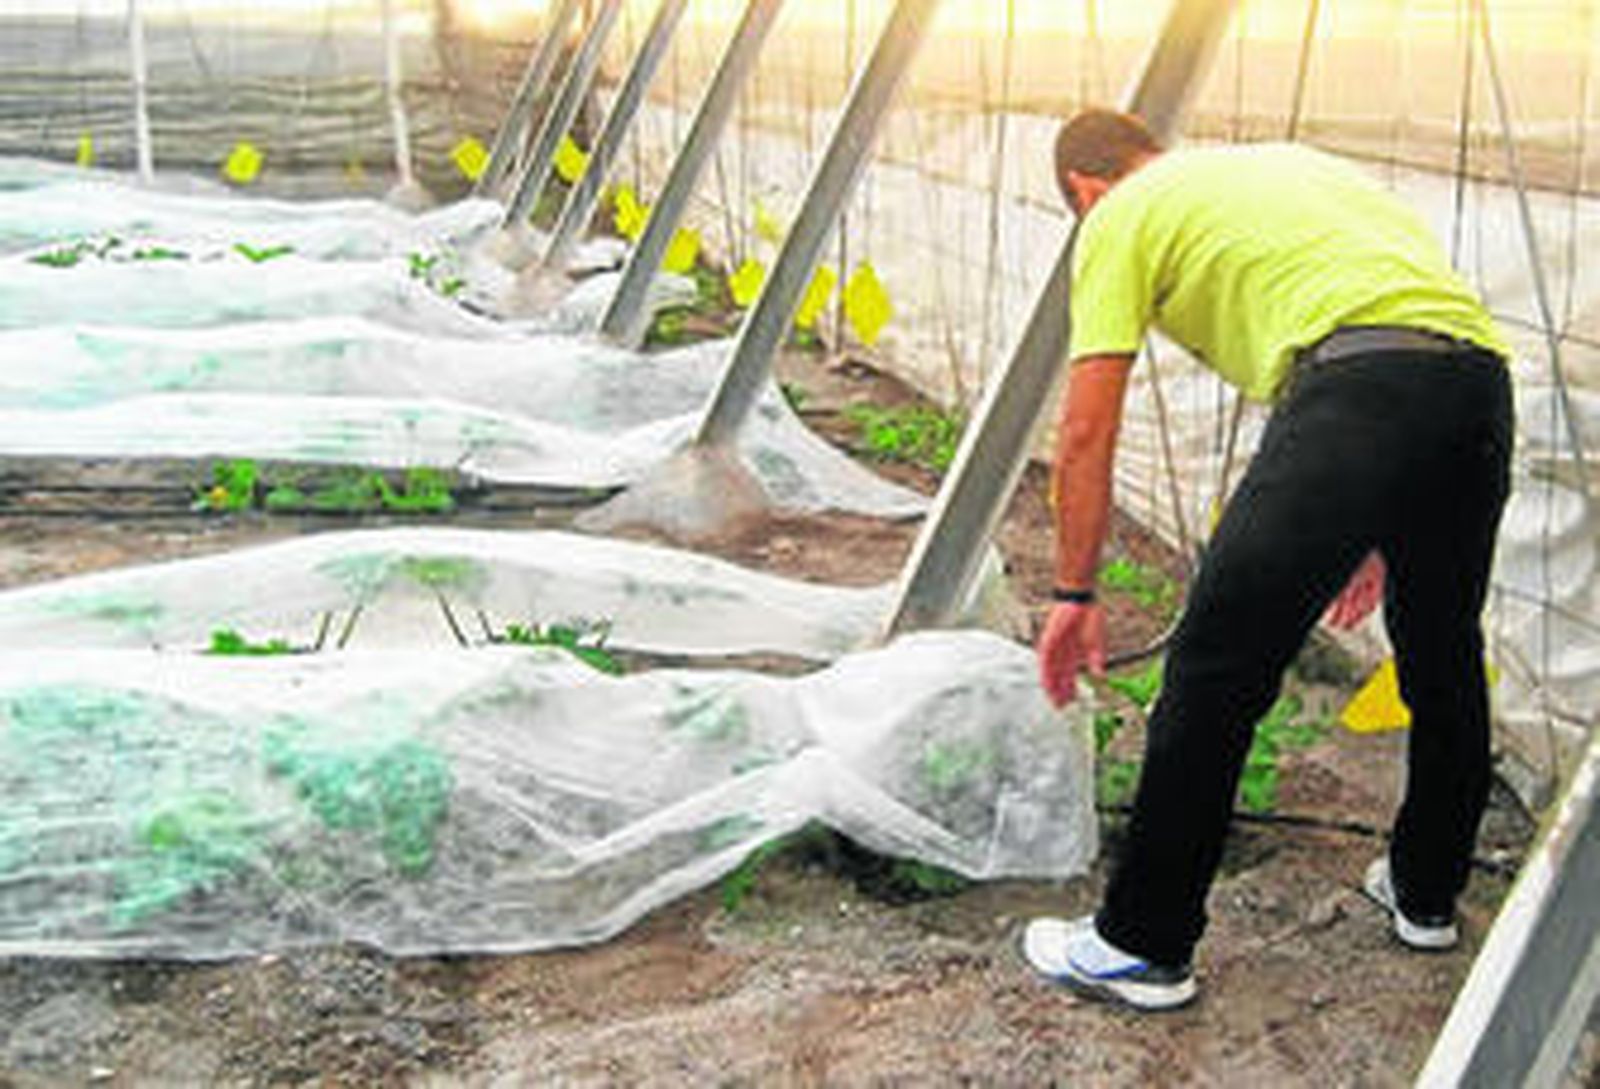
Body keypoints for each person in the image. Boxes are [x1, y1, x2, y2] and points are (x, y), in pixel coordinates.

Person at [1023, 108, 1514, 1012]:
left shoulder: (1119, 216)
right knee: (1443, 651)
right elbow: (1401, 325)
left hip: (1354, 392)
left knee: (1215, 668)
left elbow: (1087, 426)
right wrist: (1373, 523)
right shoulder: (1284, 166)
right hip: (1478, 386)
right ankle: (1425, 893)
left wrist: (1074, 590)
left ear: (1086, 191)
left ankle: (1141, 941)